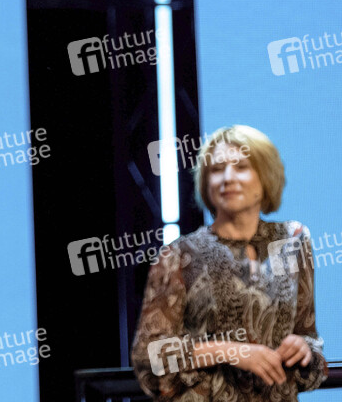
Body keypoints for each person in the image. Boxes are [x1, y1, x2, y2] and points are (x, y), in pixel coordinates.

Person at [131, 125, 327, 401]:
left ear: (266, 175)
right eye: (217, 169)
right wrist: (230, 351)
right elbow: (149, 358)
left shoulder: (293, 241)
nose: (227, 178)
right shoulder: (178, 256)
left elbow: (309, 338)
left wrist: (303, 348)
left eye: (241, 167)